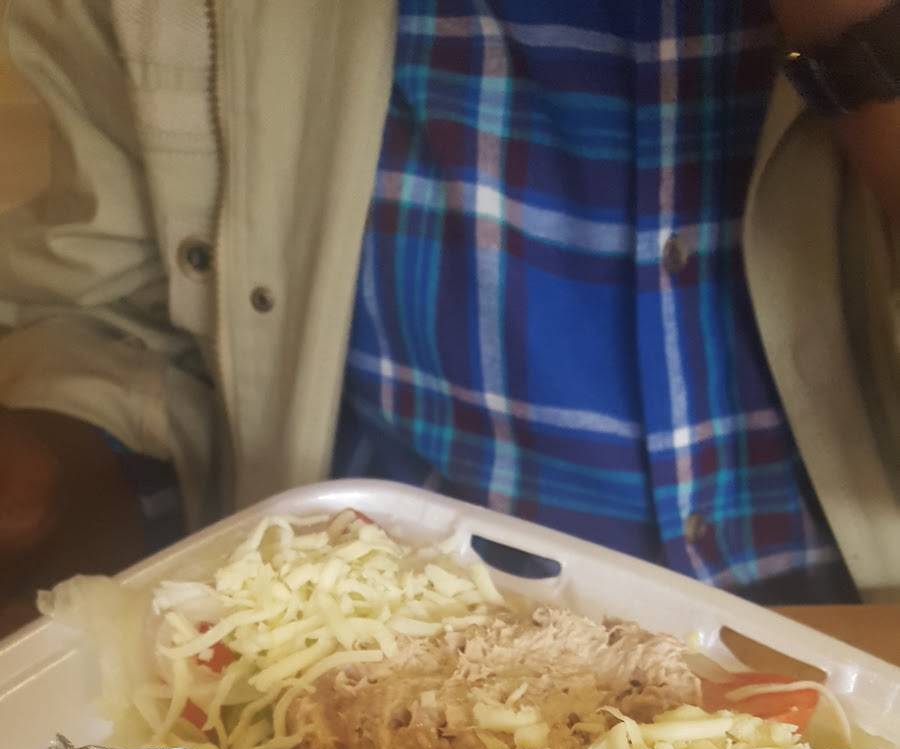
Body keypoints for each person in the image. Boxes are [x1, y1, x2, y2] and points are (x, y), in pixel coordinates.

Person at [0, 1, 898, 641]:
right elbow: (107, 326)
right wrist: (48, 473)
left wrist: (863, 43)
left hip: (855, 644)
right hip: (365, 647)